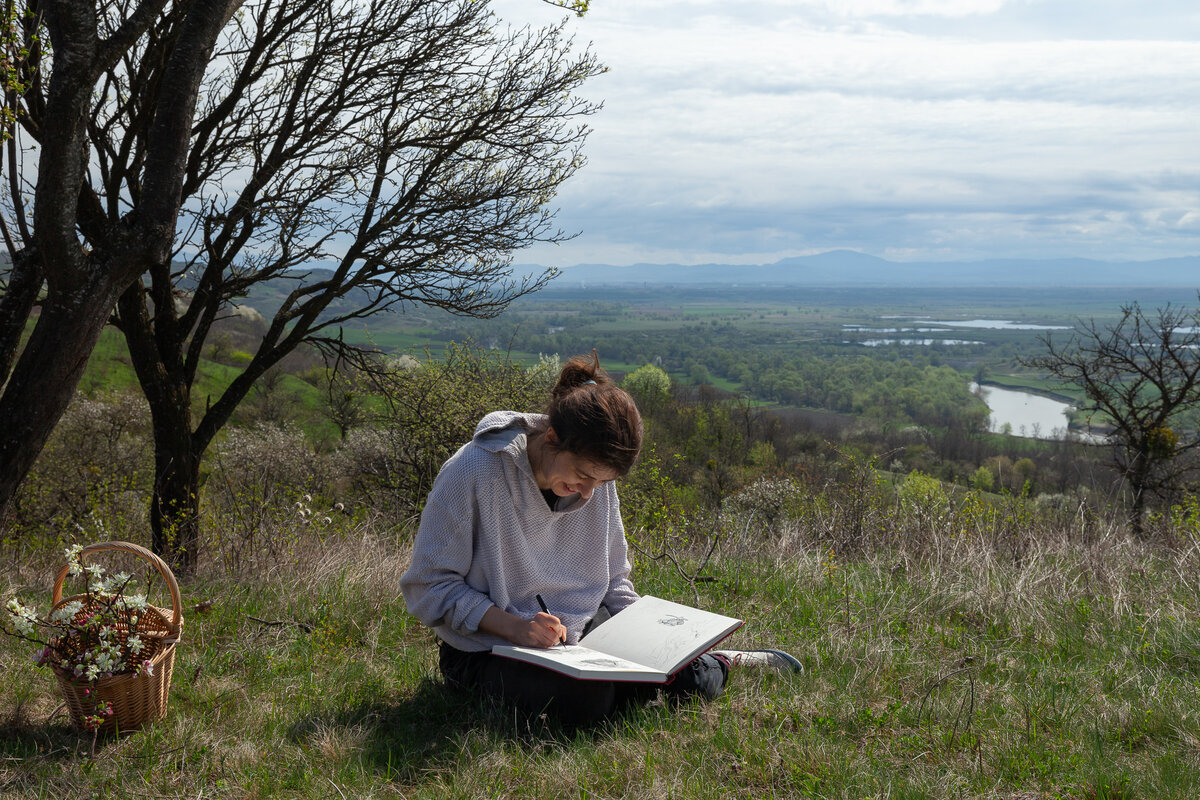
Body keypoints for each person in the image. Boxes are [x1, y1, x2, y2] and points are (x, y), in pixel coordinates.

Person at [400, 353, 799, 727]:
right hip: (486, 649)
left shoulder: (596, 480)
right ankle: (638, 686)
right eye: (584, 476)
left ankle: (719, 663)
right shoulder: (473, 470)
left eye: (603, 482)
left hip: (584, 633)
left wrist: (653, 642)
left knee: (676, 675)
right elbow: (430, 587)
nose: (589, 494)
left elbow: (612, 579)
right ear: (552, 438)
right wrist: (513, 627)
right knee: (585, 704)